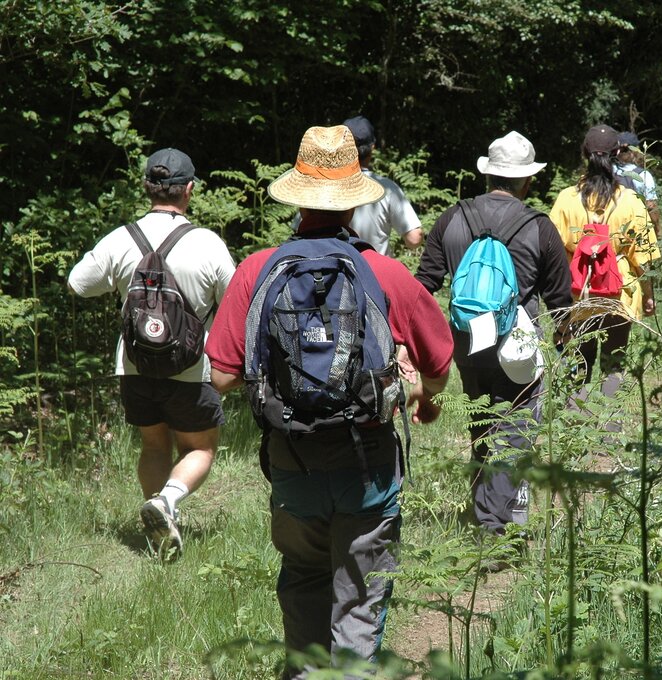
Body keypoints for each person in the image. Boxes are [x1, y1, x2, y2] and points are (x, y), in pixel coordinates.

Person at [205, 125, 453, 676]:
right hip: (367, 467)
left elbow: (221, 377)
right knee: (360, 601)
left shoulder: (256, 270)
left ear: (297, 198)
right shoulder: (384, 273)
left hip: (291, 465)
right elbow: (439, 360)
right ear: (354, 204)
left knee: (304, 582)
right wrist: (425, 398)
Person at [68, 148, 236, 559]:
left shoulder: (121, 238)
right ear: (189, 190)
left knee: (154, 445)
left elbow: (78, 283)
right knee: (200, 448)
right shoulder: (207, 243)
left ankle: (159, 526)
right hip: (191, 368)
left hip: (134, 365)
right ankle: (167, 503)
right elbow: (236, 302)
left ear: (147, 187)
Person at [415, 130, 572, 535]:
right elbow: (561, 301)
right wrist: (565, 346)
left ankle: (484, 506)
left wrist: (421, 346)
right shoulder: (539, 227)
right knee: (516, 429)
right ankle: (493, 525)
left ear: (487, 175)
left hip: (466, 342)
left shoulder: (453, 218)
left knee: (481, 419)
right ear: (528, 180)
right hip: (517, 345)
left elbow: (423, 285)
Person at [550, 124, 661, 401]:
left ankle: (575, 432)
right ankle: (608, 437)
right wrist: (648, 296)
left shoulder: (566, 199)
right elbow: (644, 257)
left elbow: (551, 252)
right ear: (618, 153)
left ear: (584, 153)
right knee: (614, 365)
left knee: (579, 363)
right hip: (619, 292)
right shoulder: (631, 201)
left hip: (578, 292)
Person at [342, 115, 423, 256]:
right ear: (372, 148)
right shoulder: (388, 188)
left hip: (335, 273)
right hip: (375, 275)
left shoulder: (325, 185)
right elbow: (414, 238)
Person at [614, 131, 662, 238]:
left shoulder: (608, 171)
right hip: (635, 231)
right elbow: (651, 206)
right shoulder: (643, 175)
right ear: (636, 150)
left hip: (611, 230)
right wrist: (658, 230)